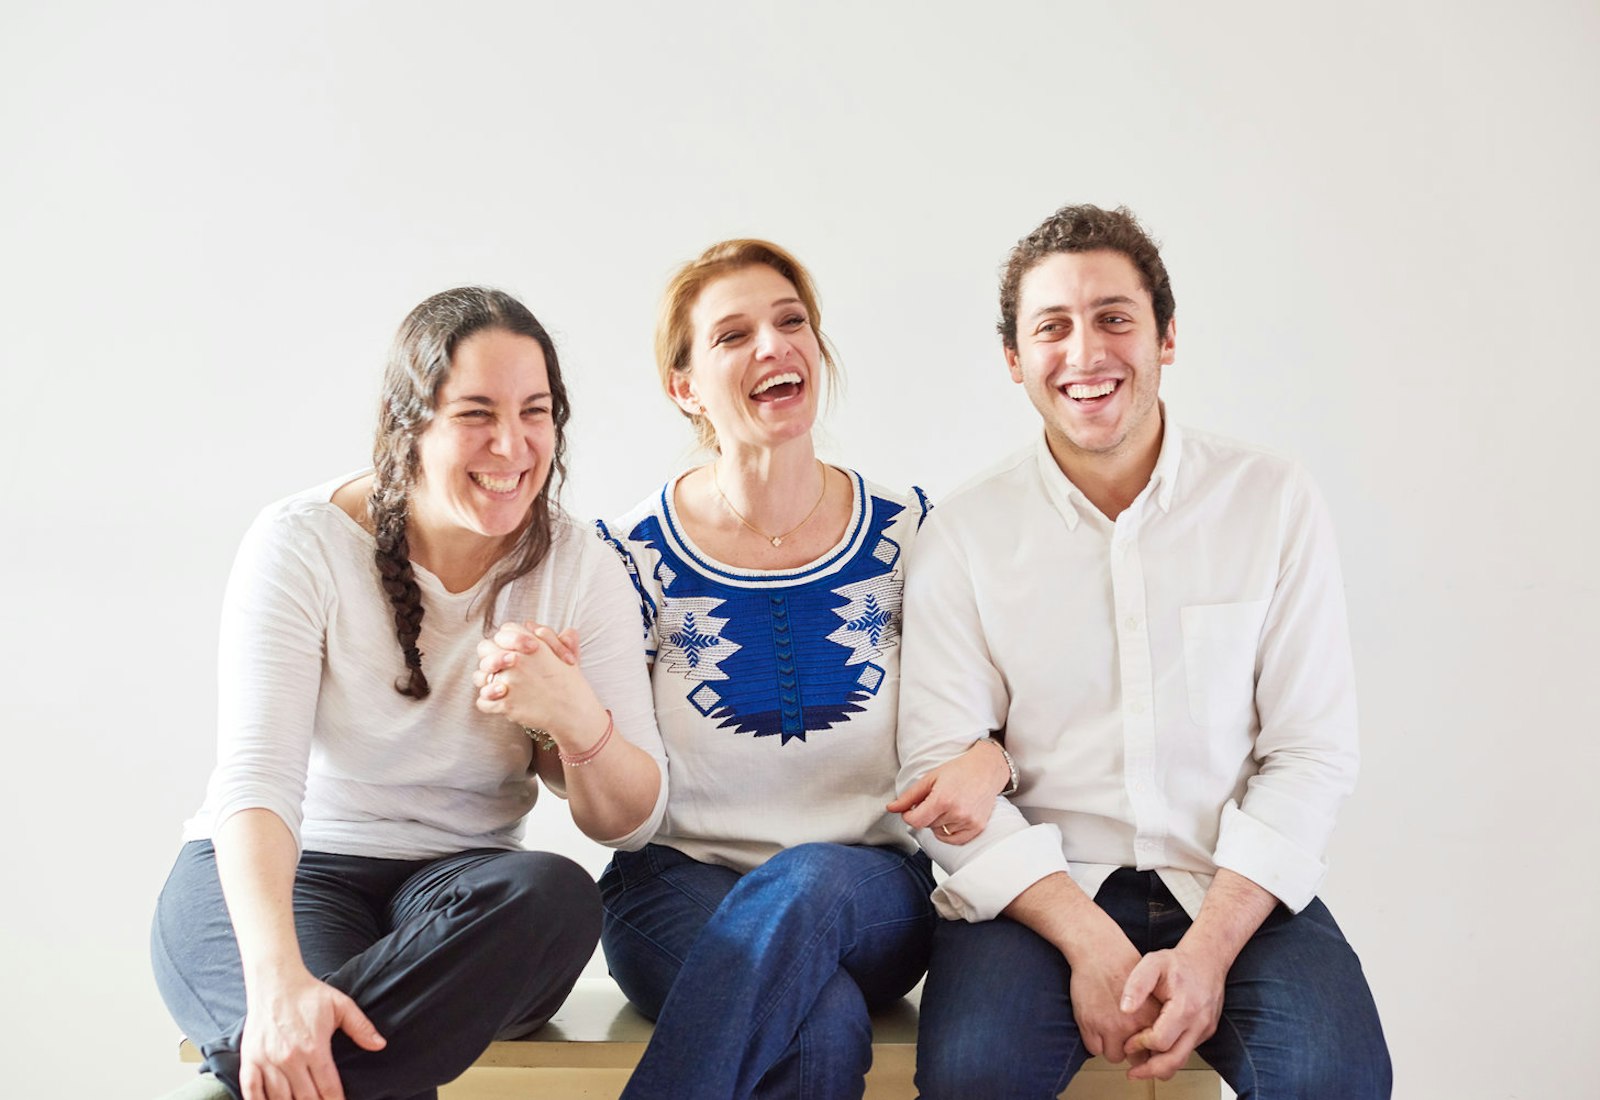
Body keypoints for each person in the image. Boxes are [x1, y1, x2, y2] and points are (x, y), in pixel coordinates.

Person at [479, 240, 1003, 1100]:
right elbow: (607, 801)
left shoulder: (913, 535)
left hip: (869, 892)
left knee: (808, 880)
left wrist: (993, 754)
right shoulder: (624, 558)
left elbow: (1005, 698)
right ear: (684, 386)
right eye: (733, 335)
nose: (773, 345)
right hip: (673, 897)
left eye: (791, 321)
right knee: (819, 1026)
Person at [895, 205, 1393, 1098]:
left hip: (1234, 881)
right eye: (1052, 327)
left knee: (1336, 1078)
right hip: (1040, 893)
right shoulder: (964, 535)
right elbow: (940, 771)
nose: (1086, 354)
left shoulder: (1270, 500)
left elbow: (1310, 752)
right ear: (1015, 359)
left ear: (1167, 337)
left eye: (1114, 318)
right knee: (976, 1077)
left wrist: (1207, 952)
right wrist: (1089, 941)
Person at [151, 287, 667, 1100]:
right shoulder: (301, 543)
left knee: (557, 894)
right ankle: (283, 1041)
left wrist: (571, 717)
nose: (511, 443)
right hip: (291, 868)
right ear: (409, 425)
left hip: (462, 896)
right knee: (309, 1034)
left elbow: (633, 822)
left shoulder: (581, 566)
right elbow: (257, 778)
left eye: (535, 411)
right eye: (475, 413)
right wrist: (279, 982)